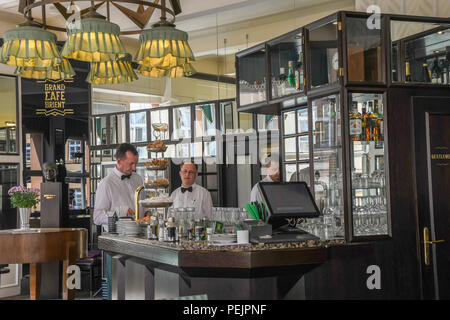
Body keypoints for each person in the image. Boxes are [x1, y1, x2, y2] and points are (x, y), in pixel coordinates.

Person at [93, 143, 144, 232]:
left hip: (140, 233)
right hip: (117, 237)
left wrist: (147, 212)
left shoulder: (138, 179)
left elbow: (142, 204)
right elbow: (97, 217)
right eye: (131, 164)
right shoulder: (106, 183)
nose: (134, 167)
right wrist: (120, 213)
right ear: (119, 161)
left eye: (136, 163)